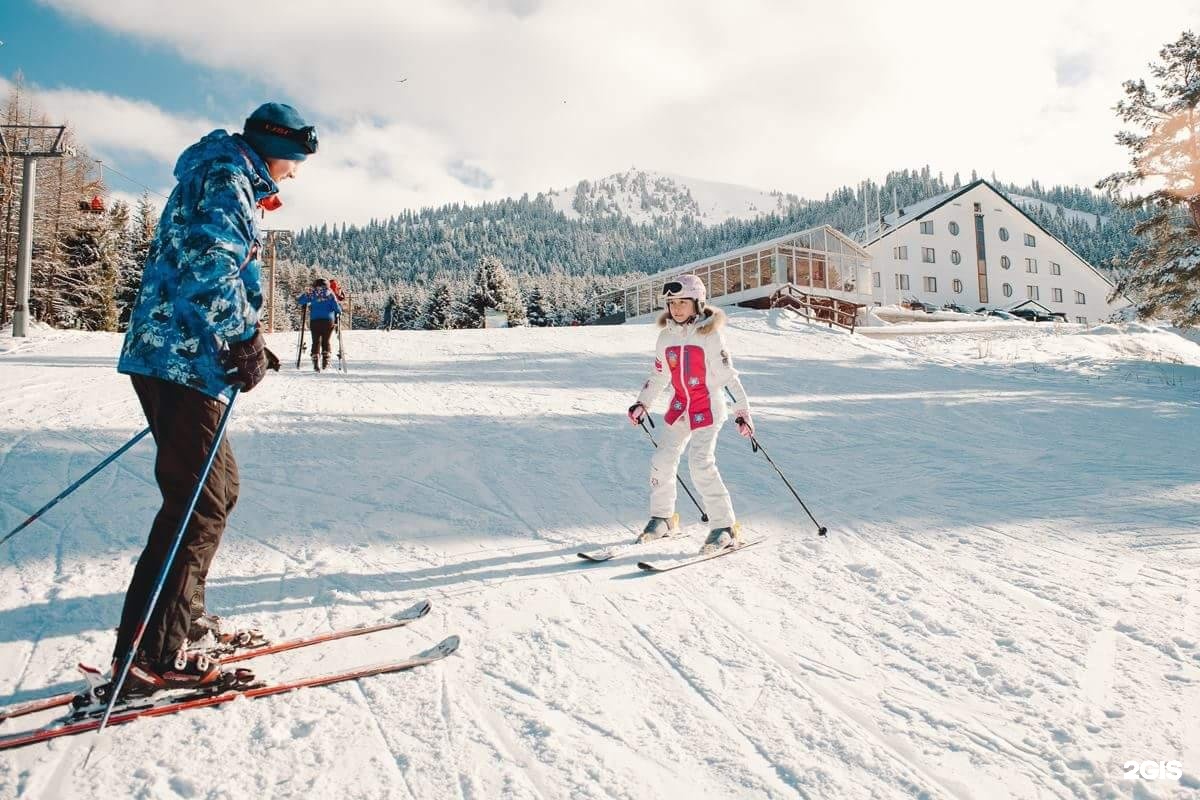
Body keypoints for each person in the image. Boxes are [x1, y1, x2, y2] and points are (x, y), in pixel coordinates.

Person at [113, 101, 317, 694]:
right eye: (297, 161)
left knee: (215, 492)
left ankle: (183, 619)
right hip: (178, 358)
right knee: (197, 504)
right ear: (278, 150)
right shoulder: (227, 178)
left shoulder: (227, 176)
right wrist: (240, 336)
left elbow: (212, 270)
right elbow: (208, 269)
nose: (297, 173)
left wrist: (246, 339)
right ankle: (153, 652)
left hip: (181, 356)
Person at [627, 274, 754, 553]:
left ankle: (724, 527)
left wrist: (742, 412)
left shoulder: (710, 335)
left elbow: (727, 377)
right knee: (661, 460)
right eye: (672, 303)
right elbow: (659, 375)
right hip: (680, 407)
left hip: (707, 407)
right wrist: (643, 403)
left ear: (698, 303)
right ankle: (663, 519)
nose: (677, 308)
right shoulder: (666, 337)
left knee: (700, 464)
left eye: (683, 302)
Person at [296, 278, 342, 371]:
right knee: (326, 340)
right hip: (328, 321)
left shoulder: (312, 293)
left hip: (315, 320)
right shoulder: (330, 294)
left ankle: (315, 360)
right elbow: (337, 307)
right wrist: (339, 312)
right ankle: (325, 359)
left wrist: (305, 293)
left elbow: (300, 301)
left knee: (316, 340)